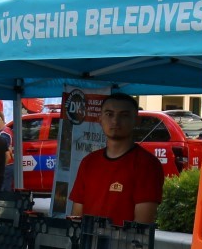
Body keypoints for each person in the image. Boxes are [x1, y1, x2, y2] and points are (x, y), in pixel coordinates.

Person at [68, 92, 164, 225]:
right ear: (100, 119)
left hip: (126, 244)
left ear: (136, 120)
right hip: (87, 243)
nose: (115, 121)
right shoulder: (88, 162)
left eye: (124, 115)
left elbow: (142, 225)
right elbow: (76, 216)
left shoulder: (147, 165)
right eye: (109, 114)